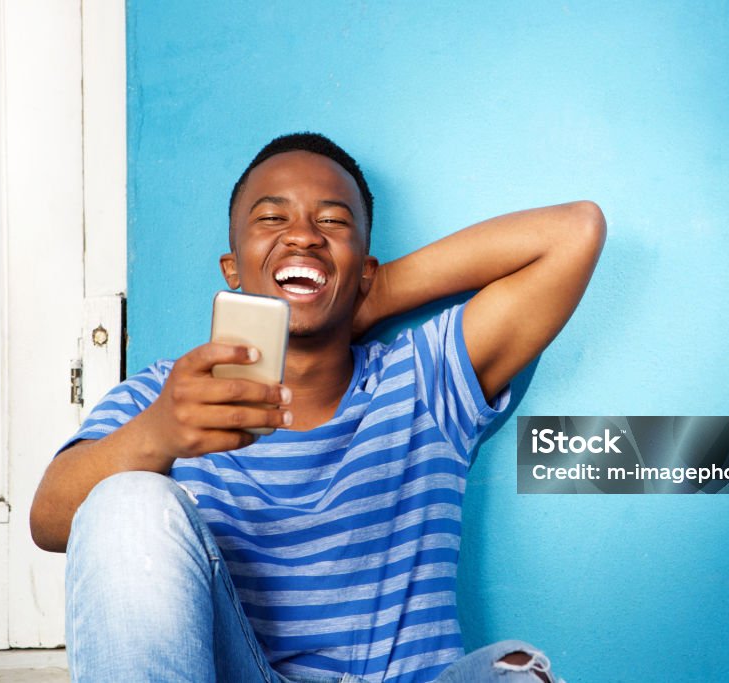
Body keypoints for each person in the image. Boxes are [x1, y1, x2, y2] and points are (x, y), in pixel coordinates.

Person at [30, 132, 606, 683]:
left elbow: (575, 230)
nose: (302, 236)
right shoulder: (169, 395)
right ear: (233, 269)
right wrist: (159, 434)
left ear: (364, 266)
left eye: (331, 221)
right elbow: (52, 518)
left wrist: (374, 293)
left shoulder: (424, 379)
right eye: (272, 218)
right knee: (127, 496)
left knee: (512, 669)